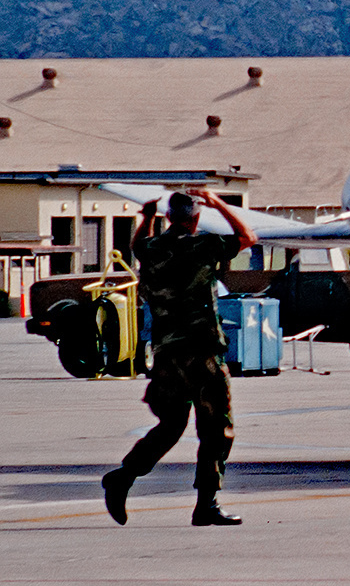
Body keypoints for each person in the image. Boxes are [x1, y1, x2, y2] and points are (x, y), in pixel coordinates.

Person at [101, 189, 257, 526]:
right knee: (216, 428)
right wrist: (220, 204)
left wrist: (146, 219)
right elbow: (248, 237)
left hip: (166, 353)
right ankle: (207, 504)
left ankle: (124, 476)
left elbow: (137, 246)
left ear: (170, 218)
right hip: (201, 351)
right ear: (196, 217)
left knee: (171, 425)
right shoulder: (205, 246)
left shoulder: (152, 248)